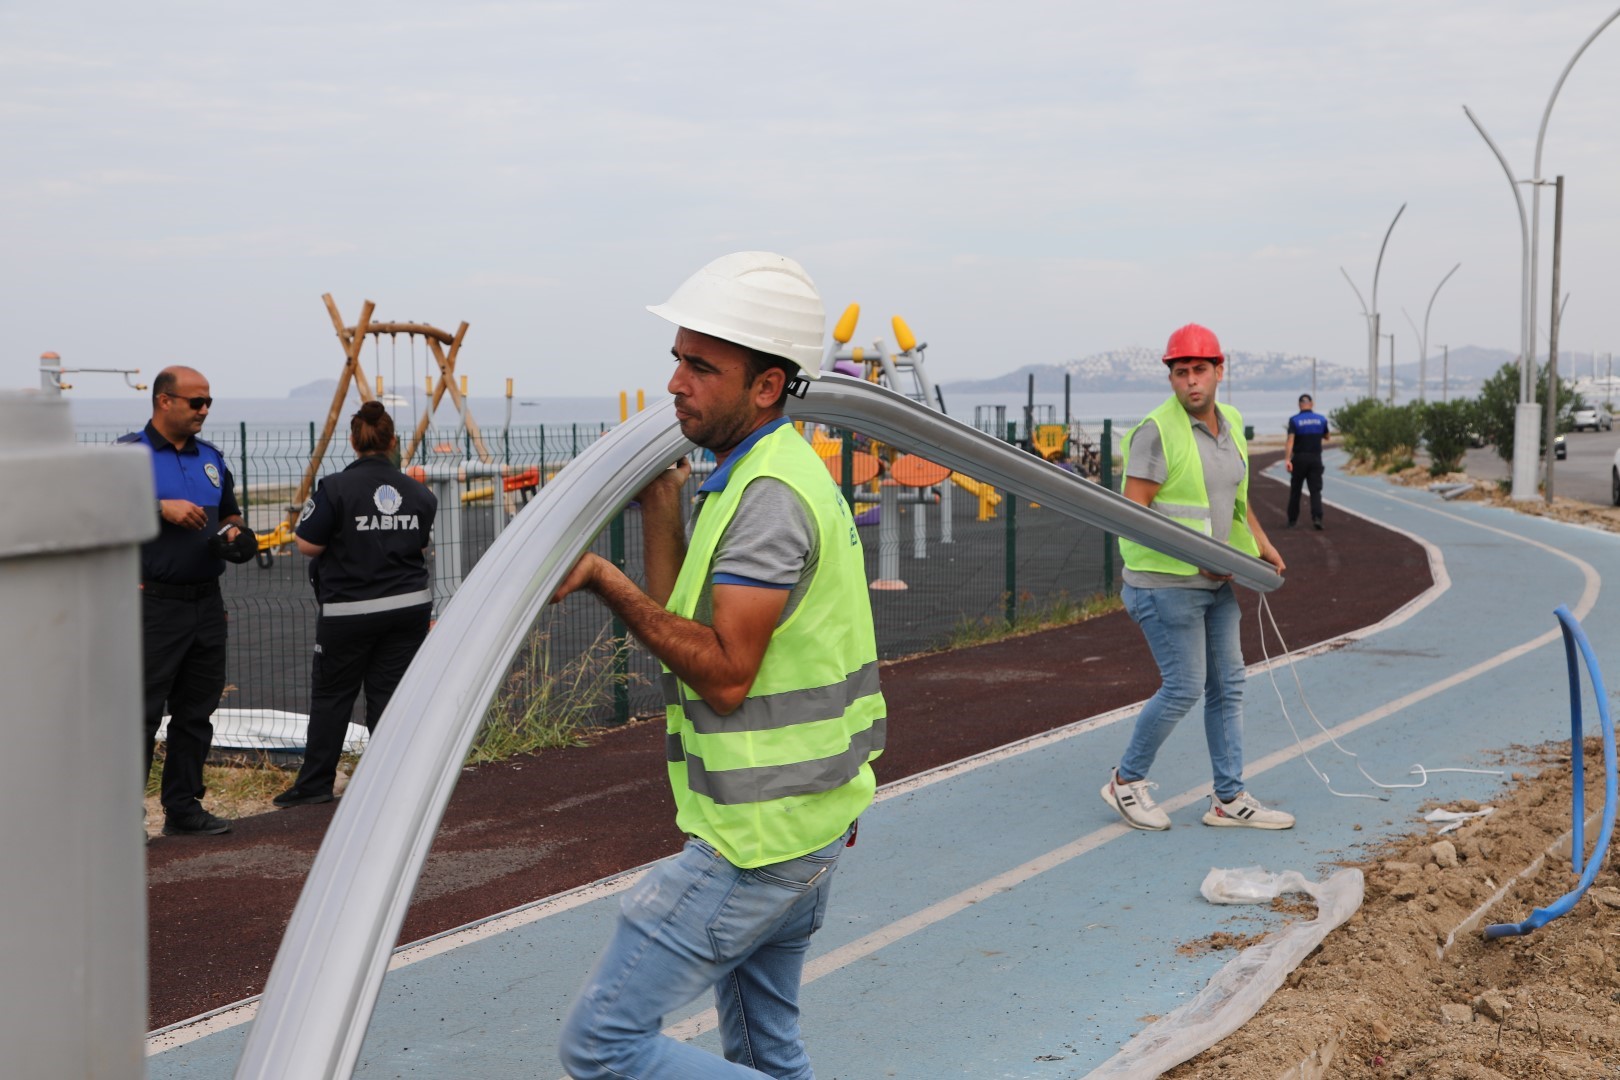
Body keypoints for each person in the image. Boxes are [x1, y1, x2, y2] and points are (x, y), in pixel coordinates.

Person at [552, 251, 885, 1080]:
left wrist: (602, 577)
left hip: (758, 841)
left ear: (766, 386)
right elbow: (689, 629)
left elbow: (726, 672)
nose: (675, 383)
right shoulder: (762, 474)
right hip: (806, 825)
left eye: (702, 367)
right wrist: (661, 510)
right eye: (677, 358)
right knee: (765, 1054)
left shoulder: (768, 498)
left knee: (601, 1047)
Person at [1100, 324, 1293, 832]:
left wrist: (1262, 544)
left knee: (1228, 686)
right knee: (1185, 686)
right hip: (1162, 585)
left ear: (1219, 372)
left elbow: (1234, 498)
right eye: (1180, 372)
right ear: (1171, 377)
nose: (1191, 382)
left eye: (1199, 371)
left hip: (1216, 581)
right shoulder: (1154, 432)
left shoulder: (1230, 422)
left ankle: (1228, 798)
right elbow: (1132, 515)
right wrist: (1195, 560)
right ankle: (1125, 782)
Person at [274, 402, 437, 808]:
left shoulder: (334, 488)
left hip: (349, 611)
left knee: (332, 696)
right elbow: (418, 543)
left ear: (352, 440)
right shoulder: (419, 493)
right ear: (393, 441)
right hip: (407, 608)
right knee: (389, 696)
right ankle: (389, 782)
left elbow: (307, 544)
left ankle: (315, 785)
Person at [119, 366, 258, 837]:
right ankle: (121, 818)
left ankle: (183, 808)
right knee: (140, 711)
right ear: (164, 401)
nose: (204, 410)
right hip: (151, 604)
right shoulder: (128, 457)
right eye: (195, 402)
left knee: (196, 711)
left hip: (205, 602)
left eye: (208, 403)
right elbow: (100, 510)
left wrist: (238, 536)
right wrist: (160, 507)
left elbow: (231, 514)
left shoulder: (212, 458)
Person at [1285, 393, 1331, 530]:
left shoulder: (1294, 420)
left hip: (1299, 458)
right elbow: (1327, 436)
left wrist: (1288, 459)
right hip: (1315, 458)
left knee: (1296, 490)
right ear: (1311, 404)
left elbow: (1290, 441)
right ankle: (1317, 518)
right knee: (1315, 490)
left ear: (1299, 405)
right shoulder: (1321, 419)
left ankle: (1292, 520)